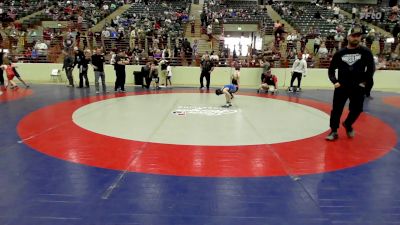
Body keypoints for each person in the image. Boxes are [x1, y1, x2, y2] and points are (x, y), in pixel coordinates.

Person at [326, 25, 375, 141]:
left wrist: (364, 83)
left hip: (358, 87)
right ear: (348, 37)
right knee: (336, 110)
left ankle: (348, 124)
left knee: (357, 109)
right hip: (341, 86)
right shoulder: (340, 53)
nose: (356, 38)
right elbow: (331, 70)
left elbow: (371, 69)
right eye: (354, 36)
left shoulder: (366, 52)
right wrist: (335, 82)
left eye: (358, 36)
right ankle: (334, 131)